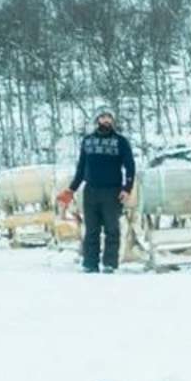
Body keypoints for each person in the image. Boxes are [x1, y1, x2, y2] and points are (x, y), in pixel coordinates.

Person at [57, 110, 136, 273]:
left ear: (113, 121)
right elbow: (81, 168)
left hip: (112, 191)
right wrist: (71, 189)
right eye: (103, 117)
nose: (106, 121)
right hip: (90, 191)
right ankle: (90, 263)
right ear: (97, 120)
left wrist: (126, 188)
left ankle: (109, 263)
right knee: (91, 229)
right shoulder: (88, 141)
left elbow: (130, 167)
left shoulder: (121, 142)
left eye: (109, 118)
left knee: (112, 229)